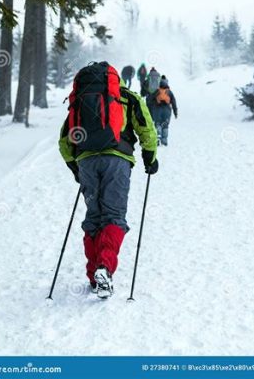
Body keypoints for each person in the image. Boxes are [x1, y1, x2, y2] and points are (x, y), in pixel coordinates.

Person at [59, 61, 158, 299]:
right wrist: (150, 157)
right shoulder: (127, 97)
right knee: (114, 216)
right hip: (117, 161)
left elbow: (64, 141)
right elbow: (147, 128)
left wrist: (76, 168)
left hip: (86, 163)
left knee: (94, 217)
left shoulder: (80, 99)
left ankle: (94, 275)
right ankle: (105, 267)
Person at [150, 75, 178, 146]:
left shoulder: (156, 91)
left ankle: (158, 136)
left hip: (157, 110)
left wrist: (151, 111)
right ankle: (164, 140)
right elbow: (173, 102)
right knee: (165, 125)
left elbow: (150, 101)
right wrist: (175, 112)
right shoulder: (169, 92)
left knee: (158, 124)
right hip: (167, 111)